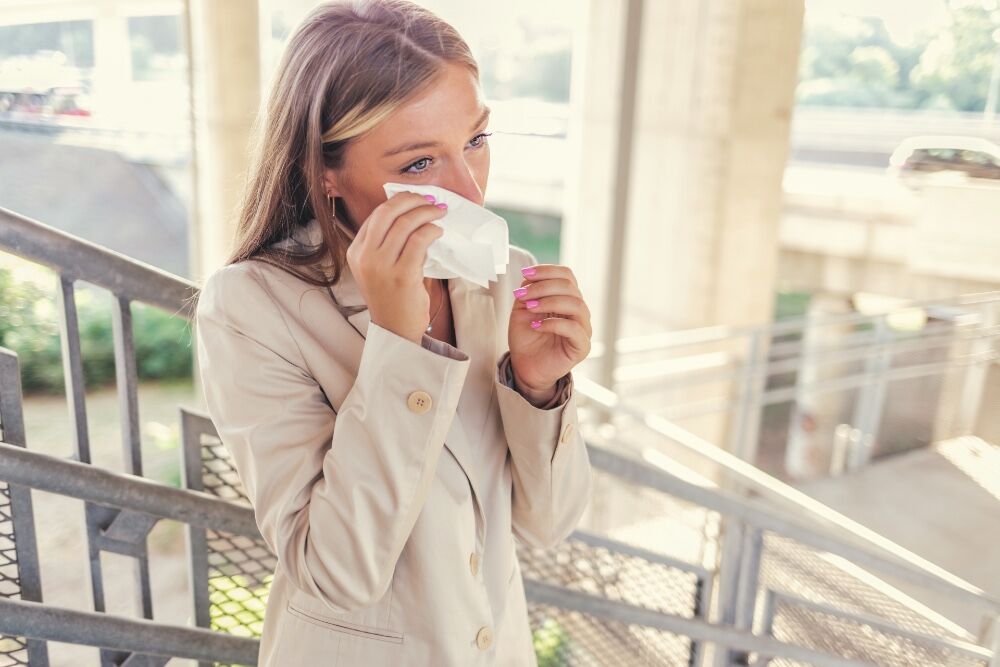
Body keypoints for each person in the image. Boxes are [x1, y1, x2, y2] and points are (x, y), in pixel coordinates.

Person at [193, 1, 593, 664]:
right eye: (418, 164)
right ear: (326, 170)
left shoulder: (504, 277)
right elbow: (337, 571)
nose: (470, 189)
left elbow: (550, 524)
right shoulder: (252, 307)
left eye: (476, 141)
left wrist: (540, 386)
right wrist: (397, 343)